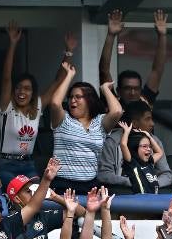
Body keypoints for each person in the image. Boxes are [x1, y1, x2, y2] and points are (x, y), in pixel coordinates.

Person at [0, 20, 71, 184]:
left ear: (33, 92)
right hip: (6, 165)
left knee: (37, 194)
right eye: (18, 88)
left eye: (27, 88)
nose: (22, 92)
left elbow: (58, 80)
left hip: (28, 164)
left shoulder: (37, 106)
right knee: (21, 193)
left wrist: (69, 51)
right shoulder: (7, 107)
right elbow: (6, 77)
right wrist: (13, 44)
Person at [48, 61, 122, 190]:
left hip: (90, 185)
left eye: (78, 97)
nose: (72, 100)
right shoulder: (63, 118)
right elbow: (55, 103)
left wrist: (105, 90)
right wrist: (69, 76)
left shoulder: (99, 122)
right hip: (62, 183)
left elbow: (117, 111)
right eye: (70, 97)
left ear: (89, 100)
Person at [99, 9, 168, 109]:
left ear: (140, 90)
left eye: (136, 89)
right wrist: (111, 35)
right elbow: (104, 71)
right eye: (127, 88)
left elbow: (157, 71)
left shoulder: (145, 101)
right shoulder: (113, 103)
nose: (132, 93)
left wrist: (162, 36)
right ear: (119, 91)